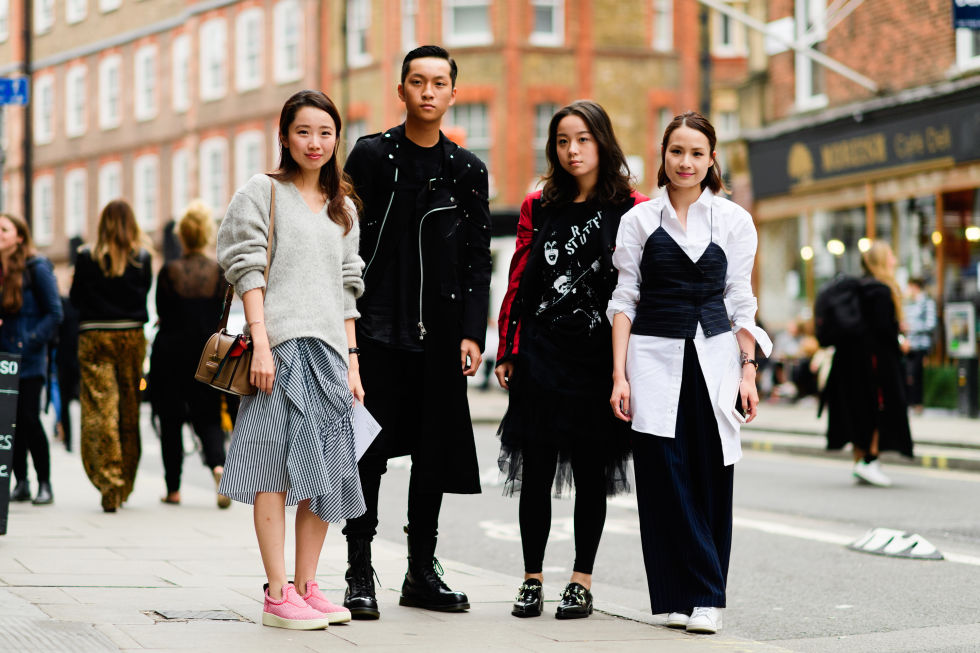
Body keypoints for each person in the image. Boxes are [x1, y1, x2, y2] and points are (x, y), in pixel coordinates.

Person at [341, 45, 492, 619]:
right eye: (417, 82)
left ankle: (420, 572)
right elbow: (344, 236)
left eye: (438, 83)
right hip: (376, 331)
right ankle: (360, 569)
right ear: (400, 91)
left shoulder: (467, 170)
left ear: (453, 94)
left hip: (439, 334)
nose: (428, 92)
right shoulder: (372, 156)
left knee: (432, 455)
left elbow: (478, 261)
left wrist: (472, 333)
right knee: (368, 455)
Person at [607, 111, 771, 635]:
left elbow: (741, 300)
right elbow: (624, 300)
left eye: (697, 153)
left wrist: (748, 371)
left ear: (711, 159)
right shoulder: (638, 221)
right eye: (677, 151)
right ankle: (678, 594)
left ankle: (707, 595)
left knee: (709, 475)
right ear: (663, 155)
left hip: (716, 359)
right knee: (662, 476)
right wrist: (619, 375)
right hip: (651, 361)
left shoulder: (732, 221)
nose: (686, 162)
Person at [216, 89, 365, 630]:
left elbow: (348, 290)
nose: (315, 142)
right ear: (285, 136)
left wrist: (352, 361)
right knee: (273, 471)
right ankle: (277, 592)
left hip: (328, 354)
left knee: (326, 477)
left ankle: (307, 585)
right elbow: (245, 266)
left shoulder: (343, 208)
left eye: (326, 133)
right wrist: (259, 341)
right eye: (304, 131)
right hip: (276, 350)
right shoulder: (263, 192)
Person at [495, 101, 647, 619]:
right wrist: (509, 347)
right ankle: (531, 578)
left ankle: (581, 580)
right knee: (534, 471)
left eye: (582, 139)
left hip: (599, 361)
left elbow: (640, 289)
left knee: (589, 471)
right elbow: (520, 280)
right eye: (562, 141)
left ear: (602, 142)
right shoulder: (538, 206)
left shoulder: (633, 208)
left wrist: (627, 368)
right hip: (541, 353)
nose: (572, 150)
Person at [70, 200, 152, 513]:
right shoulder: (142, 257)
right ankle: (126, 479)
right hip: (131, 335)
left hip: (95, 335)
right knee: (128, 406)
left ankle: (109, 479)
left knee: (99, 408)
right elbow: (143, 294)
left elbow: (76, 299)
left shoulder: (85, 256)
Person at [150, 200, 230, 508]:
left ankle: (173, 490)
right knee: (208, 416)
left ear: (182, 235)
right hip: (205, 355)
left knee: (171, 421)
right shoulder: (217, 273)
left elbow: (160, 312)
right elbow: (219, 314)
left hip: (170, 353)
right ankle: (218, 468)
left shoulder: (169, 272)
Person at [822, 241, 913, 487]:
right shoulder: (882, 290)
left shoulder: (857, 288)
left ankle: (860, 461)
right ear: (882, 260)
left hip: (849, 361)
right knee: (878, 407)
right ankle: (870, 461)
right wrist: (900, 341)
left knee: (857, 408)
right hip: (874, 363)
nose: (894, 259)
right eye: (891, 255)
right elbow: (882, 330)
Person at [0, 214, 63, 506]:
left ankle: (44, 483)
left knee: (28, 418)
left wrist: (30, 341)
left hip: (29, 357)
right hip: (4, 357)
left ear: (20, 236)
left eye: (4, 229)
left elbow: (55, 313)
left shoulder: (36, 268)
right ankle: (21, 481)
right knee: (7, 423)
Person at [903, 277, 936, 414]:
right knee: (908, 374)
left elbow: (930, 324)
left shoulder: (926, 302)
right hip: (908, 345)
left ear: (915, 286)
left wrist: (911, 327)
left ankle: (917, 403)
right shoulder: (909, 303)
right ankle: (910, 402)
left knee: (916, 374)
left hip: (920, 344)